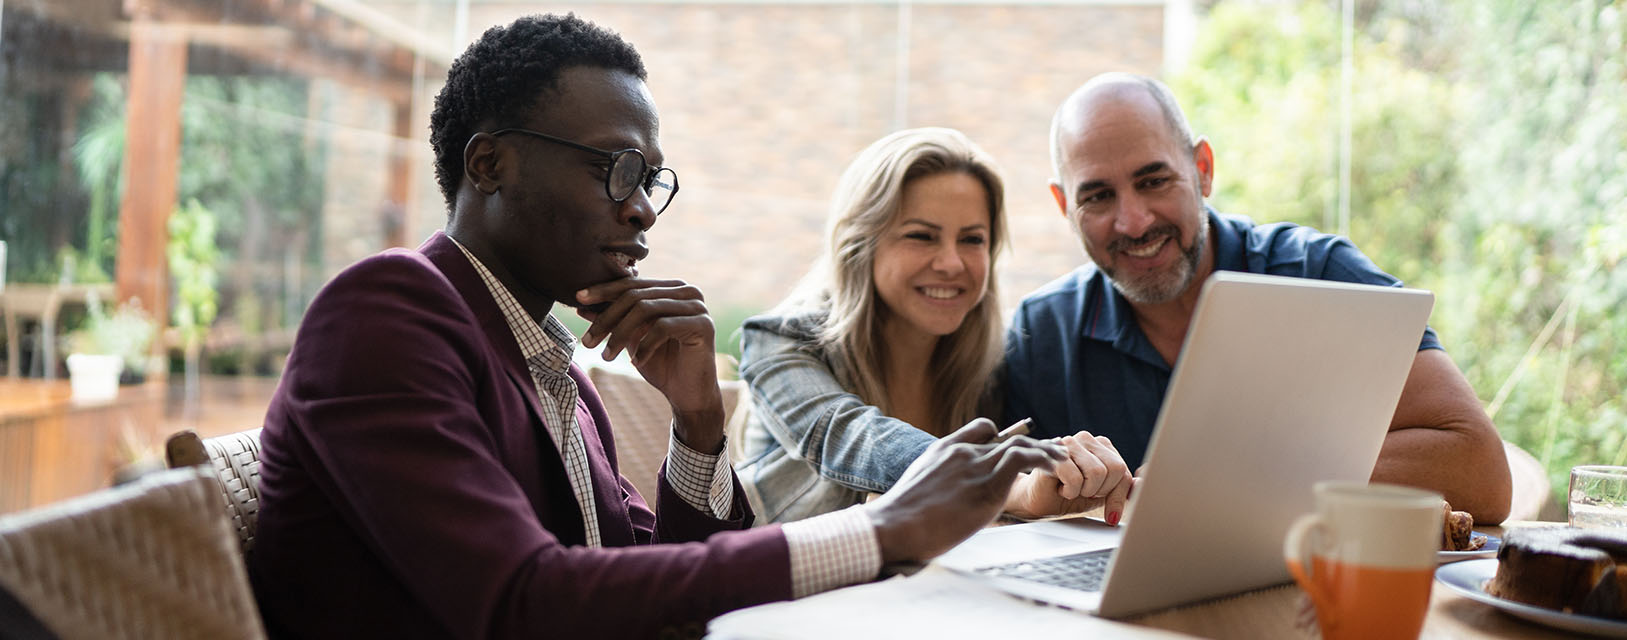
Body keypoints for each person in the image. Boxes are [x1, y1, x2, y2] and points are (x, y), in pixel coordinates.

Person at [249, 14, 1066, 639]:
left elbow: (655, 582)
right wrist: (881, 528)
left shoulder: (554, 369)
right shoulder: (387, 310)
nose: (642, 208)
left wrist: (700, 424)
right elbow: (520, 599)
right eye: (617, 169)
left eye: (651, 179)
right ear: (489, 163)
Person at [1001, 72, 1513, 523]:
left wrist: (1236, 479)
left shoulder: (1320, 274)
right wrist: (1026, 493)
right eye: (1097, 196)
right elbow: (978, 486)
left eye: (1153, 180)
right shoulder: (1040, 334)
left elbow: (1480, 470)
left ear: (1203, 169)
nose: (1133, 221)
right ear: (1064, 205)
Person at [739, 128, 1132, 524]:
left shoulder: (995, 362)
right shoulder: (779, 341)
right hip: (780, 581)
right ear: (861, 245)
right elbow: (851, 438)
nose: (951, 263)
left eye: (972, 239)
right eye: (922, 236)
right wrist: (1007, 486)